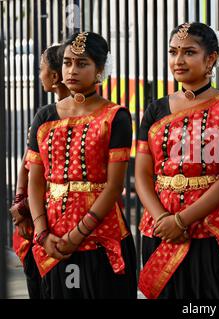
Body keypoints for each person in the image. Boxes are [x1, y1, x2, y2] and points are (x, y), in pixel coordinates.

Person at [136, 22, 219, 299]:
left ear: (210, 58)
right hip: (160, 228)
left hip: (213, 232)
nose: (178, 60)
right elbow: (142, 175)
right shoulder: (155, 110)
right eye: (173, 52)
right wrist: (164, 218)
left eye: (189, 52)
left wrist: (182, 220)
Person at [26, 31, 137, 298]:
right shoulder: (45, 116)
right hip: (50, 237)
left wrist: (77, 235)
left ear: (99, 69)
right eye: (66, 62)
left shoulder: (116, 117)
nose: (72, 70)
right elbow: (35, 180)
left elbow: (114, 186)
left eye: (82, 63)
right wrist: (42, 233)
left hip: (101, 236)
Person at [9, 44, 70, 299]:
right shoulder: (45, 115)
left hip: (61, 216)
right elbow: (28, 165)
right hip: (39, 214)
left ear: (55, 77)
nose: (39, 74)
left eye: (41, 69)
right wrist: (21, 205)